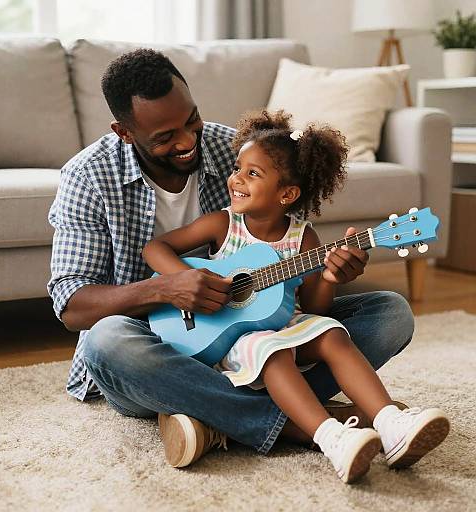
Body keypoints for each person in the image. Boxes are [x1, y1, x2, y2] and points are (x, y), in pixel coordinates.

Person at [48, 48, 417, 472]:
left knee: (390, 313)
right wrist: (166, 286)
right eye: (165, 137)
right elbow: (72, 305)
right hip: (160, 342)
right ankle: (306, 424)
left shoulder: (235, 151)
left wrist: (333, 273)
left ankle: (214, 418)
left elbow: (288, 247)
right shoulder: (88, 177)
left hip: (256, 336)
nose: (187, 141)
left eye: (191, 120)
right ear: (125, 132)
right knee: (106, 342)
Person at [142, 110, 449, 483]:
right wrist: (189, 280)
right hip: (235, 339)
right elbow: (156, 248)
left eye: (252, 174)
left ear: (286, 194)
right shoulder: (222, 224)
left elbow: (316, 307)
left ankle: (391, 422)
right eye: (238, 168)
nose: (236, 178)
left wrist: (332, 277)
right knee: (274, 353)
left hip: (285, 326)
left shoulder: (303, 239)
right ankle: (331, 436)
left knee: (333, 332)